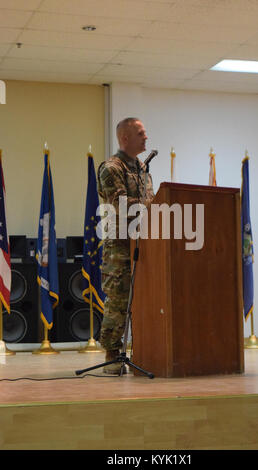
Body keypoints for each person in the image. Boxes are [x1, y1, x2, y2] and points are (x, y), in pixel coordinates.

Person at [97, 117, 155, 374]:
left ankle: (142, 352)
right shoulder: (111, 167)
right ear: (125, 138)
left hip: (144, 243)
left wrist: (156, 206)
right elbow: (120, 204)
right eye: (140, 133)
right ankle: (112, 353)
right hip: (119, 244)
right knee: (119, 300)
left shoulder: (142, 167)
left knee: (144, 299)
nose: (146, 137)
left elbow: (151, 200)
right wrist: (153, 206)